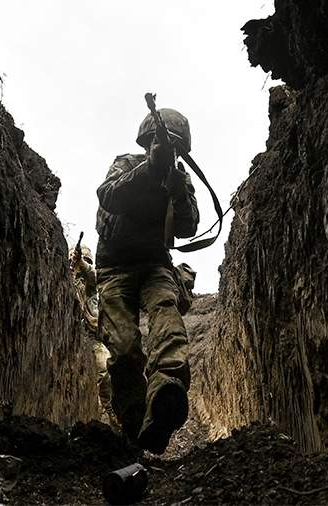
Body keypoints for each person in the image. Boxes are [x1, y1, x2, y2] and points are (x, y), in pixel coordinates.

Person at [94, 108, 199, 454]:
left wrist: (177, 191)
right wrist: (150, 169)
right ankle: (134, 425)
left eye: (171, 145)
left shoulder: (180, 178)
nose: (166, 148)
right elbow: (108, 196)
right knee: (123, 347)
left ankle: (166, 391)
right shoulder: (125, 164)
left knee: (167, 317)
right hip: (114, 269)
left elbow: (188, 227)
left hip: (155, 265)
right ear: (146, 142)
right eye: (159, 142)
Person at [68, 243, 116, 427]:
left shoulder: (90, 284)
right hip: (69, 338)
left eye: (86, 261)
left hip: (92, 338)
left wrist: (81, 262)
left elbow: (93, 276)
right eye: (79, 260)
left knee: (106, 370)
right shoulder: (64, 278)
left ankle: (109, 415)